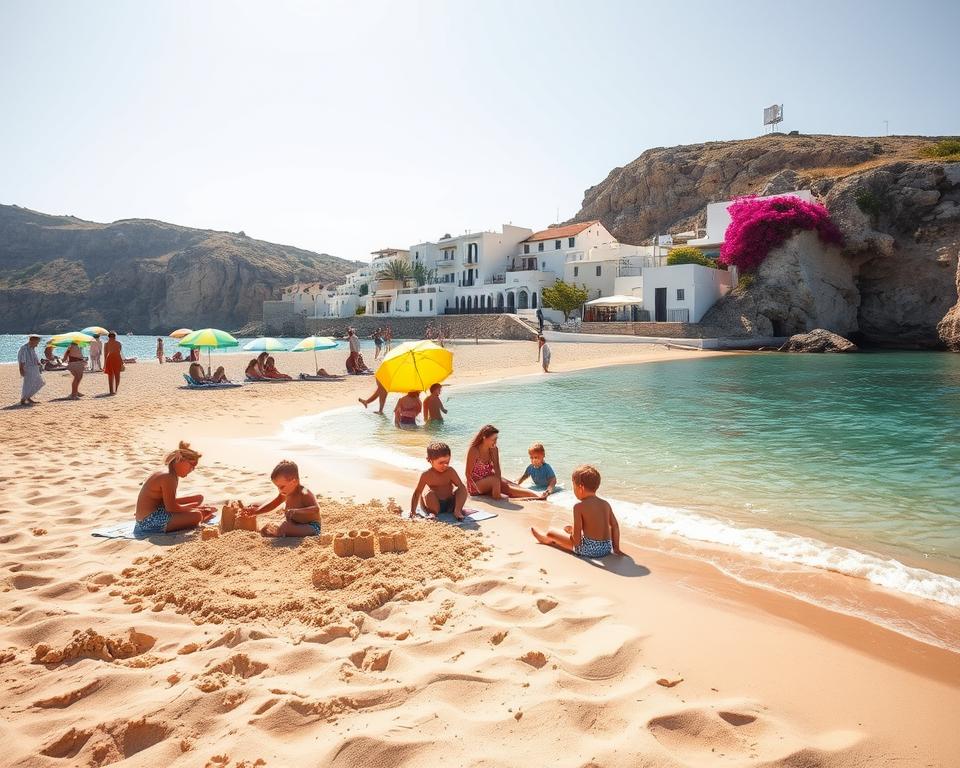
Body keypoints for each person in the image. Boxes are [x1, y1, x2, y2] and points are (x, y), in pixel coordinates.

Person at [530, 464, 623, 558]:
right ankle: (613, 548)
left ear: (581, 488)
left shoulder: (579, 507)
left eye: (574, 486)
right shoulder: (605, 504)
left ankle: (546, 539)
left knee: (551, 532)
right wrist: (616, 548)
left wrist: (573, 533)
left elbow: (577, 542)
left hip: (590, 551)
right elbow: (615, 526)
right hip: (606, 548)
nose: (573, 489)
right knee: (572, 530)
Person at [134, 441, 214, 536]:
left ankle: (196, 511)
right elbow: (171, 507)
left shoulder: (170, 473)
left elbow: (167, 502)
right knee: (197, 515)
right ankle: (200, 513)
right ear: (180, 460)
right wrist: (191, 508)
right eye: (191, 466)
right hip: (148, 522)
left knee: (199, 498)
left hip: (156, 511)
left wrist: (191, 507)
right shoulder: (168, 477)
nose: (191, 470)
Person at [240, 459, 321, 537]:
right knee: (269, 528)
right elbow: (273, 504)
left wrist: (297, 511)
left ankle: (282, 532)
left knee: (285, 527)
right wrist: (256, 511)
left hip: (311, 527)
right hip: (294, 524)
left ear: (294, 481)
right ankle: (281, 532)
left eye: (282, 486)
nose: (280, 490)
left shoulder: (304, 492)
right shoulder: (285, 493)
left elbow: (316, 509)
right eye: (278, 487)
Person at [464, 424, 545, 500]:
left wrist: (500, 484)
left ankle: (537, 495)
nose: (495, 442)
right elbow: (468, 474)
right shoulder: (474, 450)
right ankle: (500, 498)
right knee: (496, 481)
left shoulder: (494, 449)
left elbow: (497, 468)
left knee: (510, 484)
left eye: (496, 439)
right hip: (476, 485)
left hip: (489, 480)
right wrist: (475, 489)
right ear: (484, 437)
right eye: (493, 439)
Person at [410, 442, 468, 521]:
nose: (445, 465)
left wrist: (458, 503)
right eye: (441, 463)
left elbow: (460, 487)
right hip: (434, 505)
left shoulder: (450, 471)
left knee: (462, 488)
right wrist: (413, 511)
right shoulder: (426, 475)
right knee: (428, 493)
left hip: (450, 504)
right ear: (430, 460)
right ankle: (433, 513)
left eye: (447, 462)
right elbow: (417, 493)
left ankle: (457, 511)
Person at [18, 333, 44, 406]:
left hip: (34, 368)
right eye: (37, 342)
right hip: (28, 368)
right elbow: (21, 360)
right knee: (28, 384)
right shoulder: (24, 348)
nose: (37, 345)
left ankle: (28, 397)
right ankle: (23, 399)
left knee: (39, 382)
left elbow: (34, 357)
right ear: (32, 340)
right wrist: (21, 369)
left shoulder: (32, 348)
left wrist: (39, 363)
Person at [103, 331, 123, 395]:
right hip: (117, 358)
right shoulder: (119, 343)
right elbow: (119, 352)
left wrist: (105, 364)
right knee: (117, 375)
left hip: (110, 359)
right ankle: (116, 389)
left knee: (110, 375)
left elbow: (105, 355)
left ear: (108, 337)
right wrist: (122, 362)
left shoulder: (106, 344)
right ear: (115, 337)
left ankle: (111, 391)